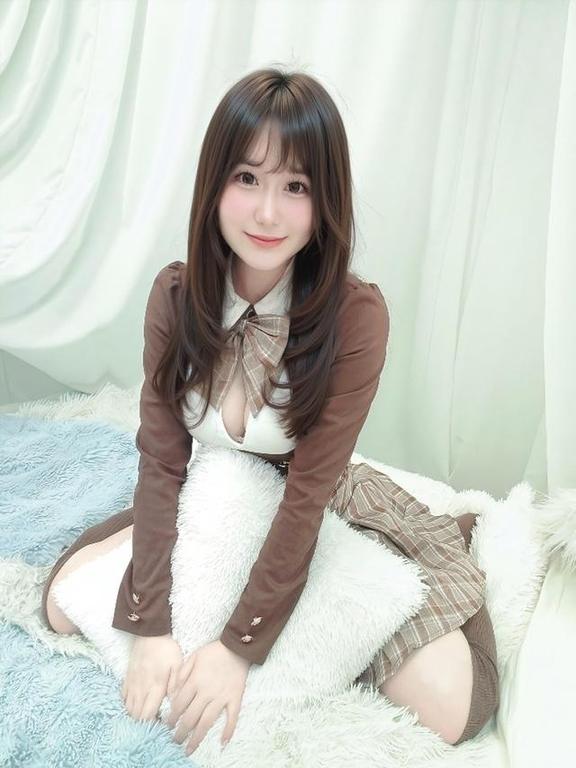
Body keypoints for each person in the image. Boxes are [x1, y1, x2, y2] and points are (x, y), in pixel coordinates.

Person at [40, 67, 499, 755]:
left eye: (296, 188)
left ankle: (440, 539)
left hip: (314, 510)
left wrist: (237, 649)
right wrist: (151, 626)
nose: (265, 213)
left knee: (452, 709)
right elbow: (162, 462)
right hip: (211, 499)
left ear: (325, 201)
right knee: (59, 604)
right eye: (247, 178)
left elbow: (308, 496)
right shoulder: (175, 297)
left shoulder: (355, 317)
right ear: (215, 183)